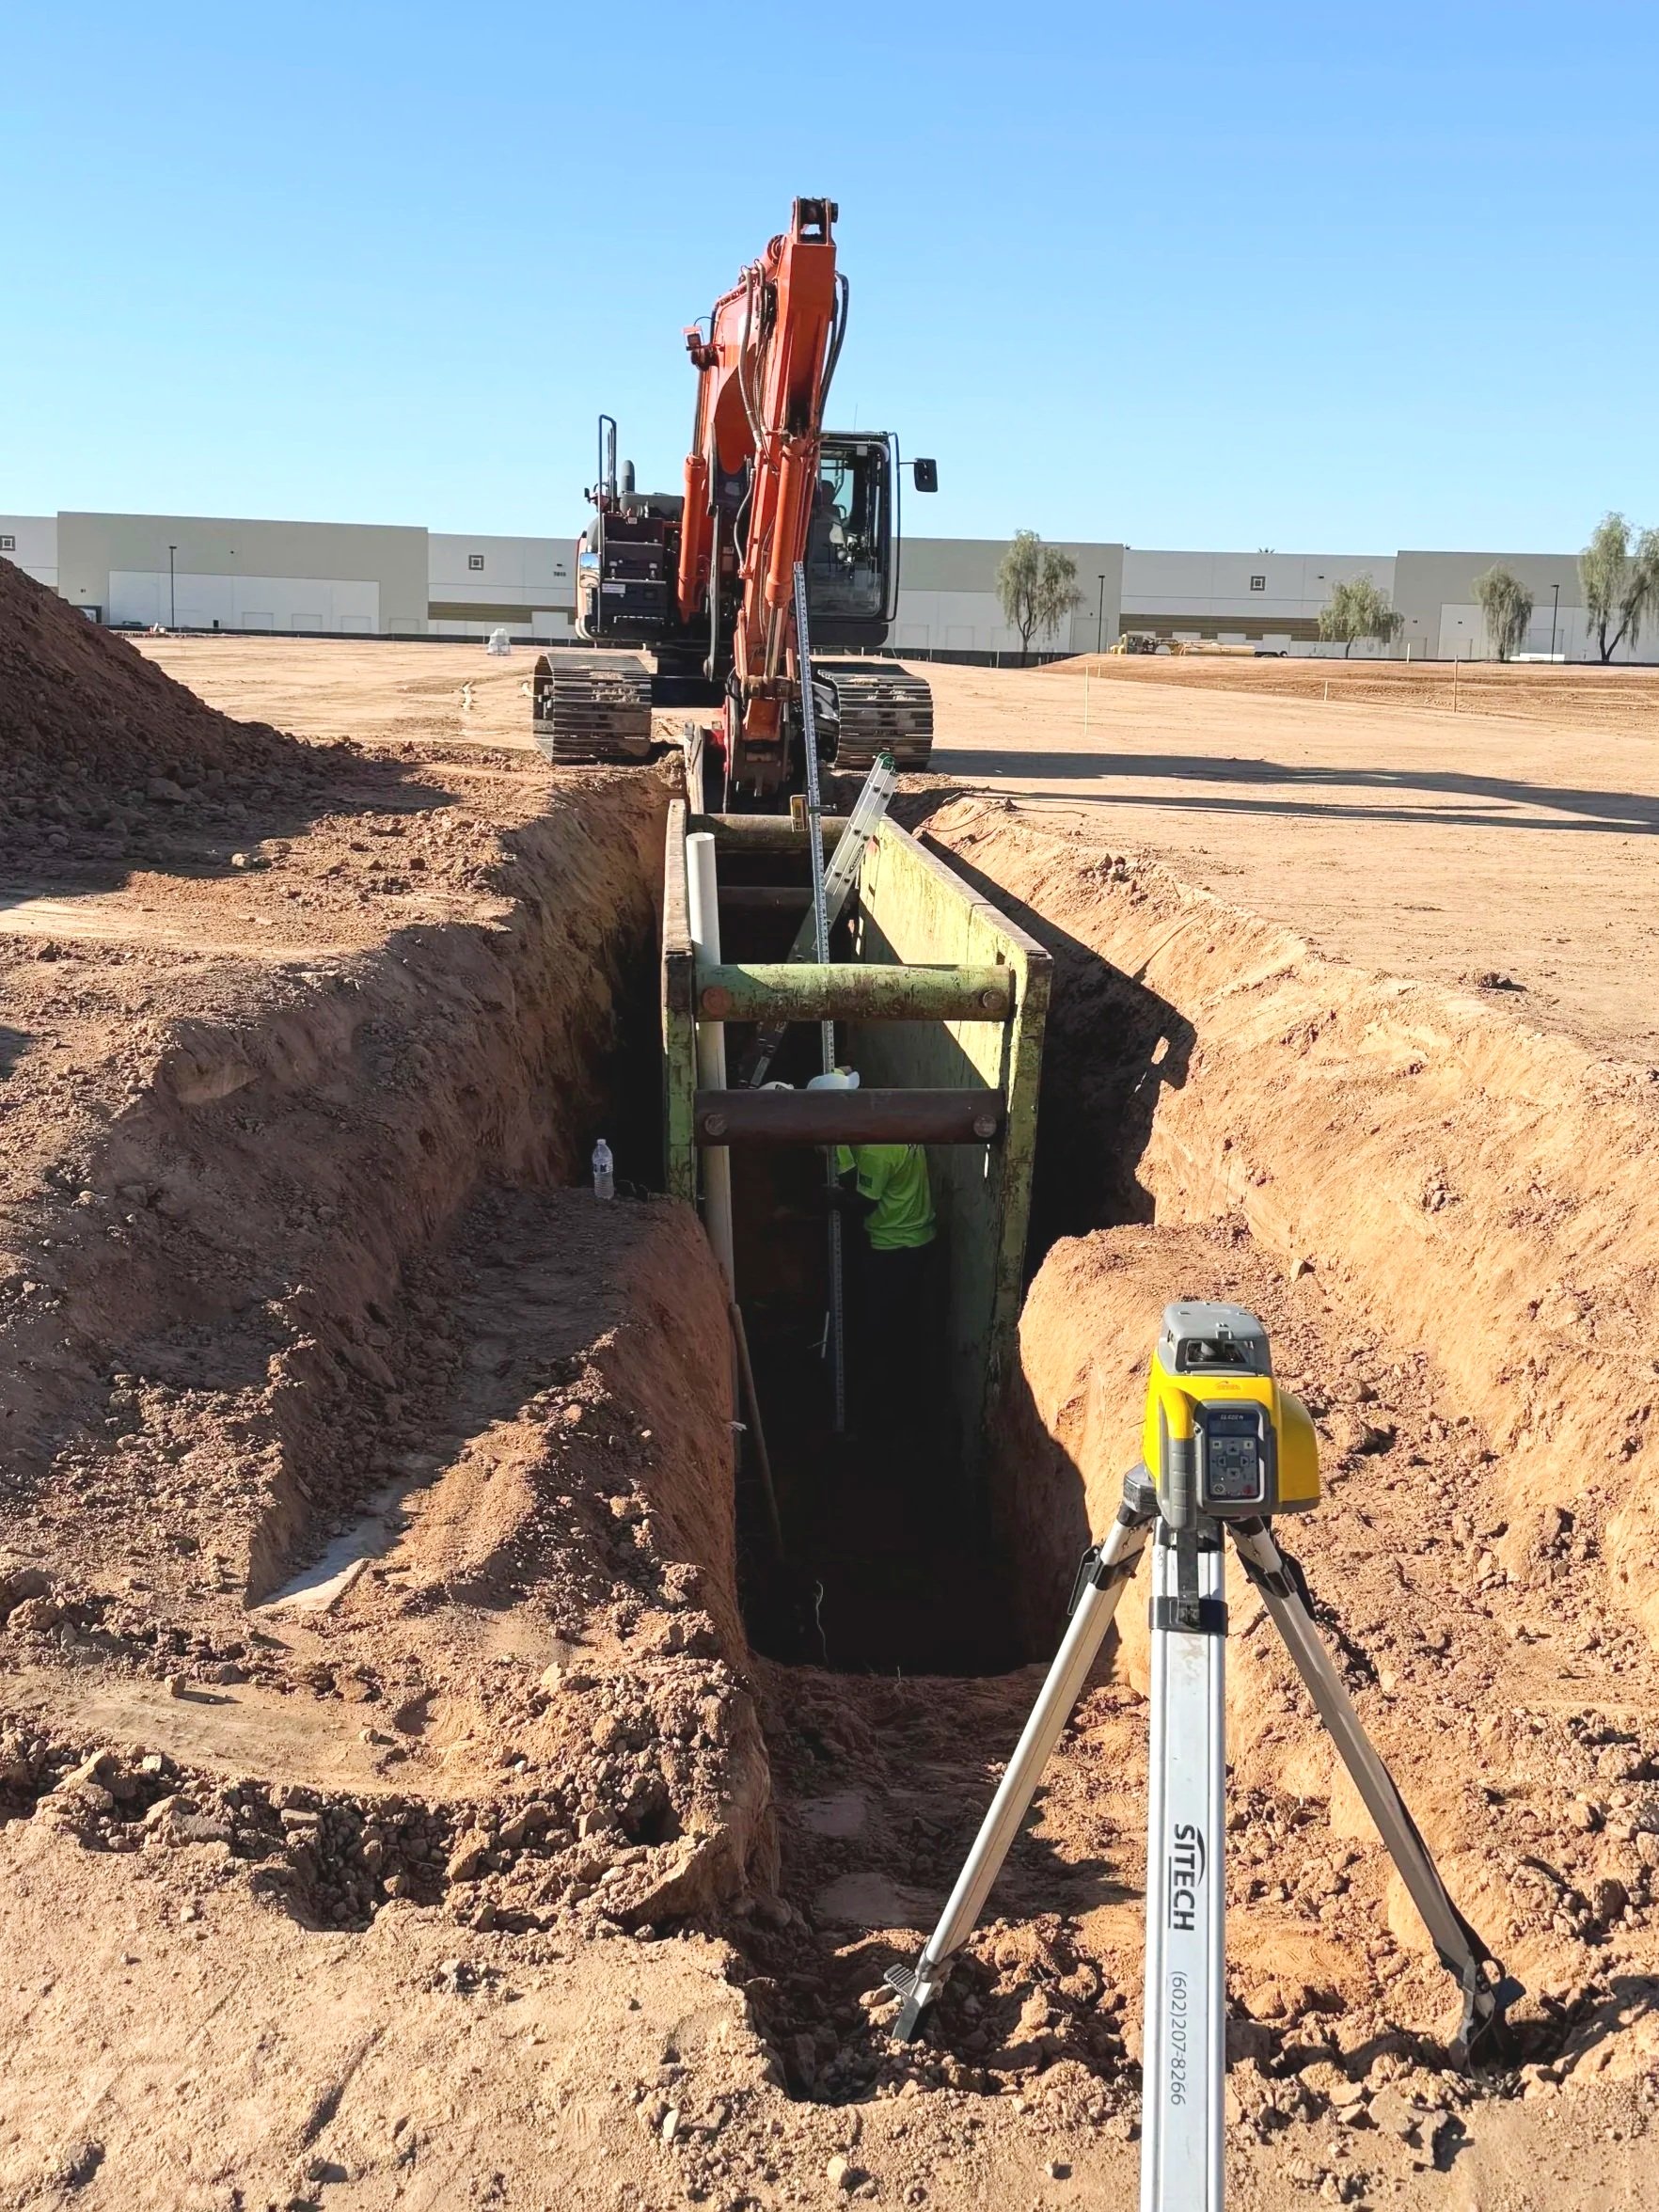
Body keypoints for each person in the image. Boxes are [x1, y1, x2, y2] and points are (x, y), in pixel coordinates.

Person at [808, 1068, 938, 1434]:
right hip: (919, 1235)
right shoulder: (890, 1119)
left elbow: (862, 1203)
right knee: (904, 1326)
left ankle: (880, 1414)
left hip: (892, 1248)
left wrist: (830, 1198)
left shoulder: (876, 1151)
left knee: (882, 1331)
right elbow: (843, 1076)